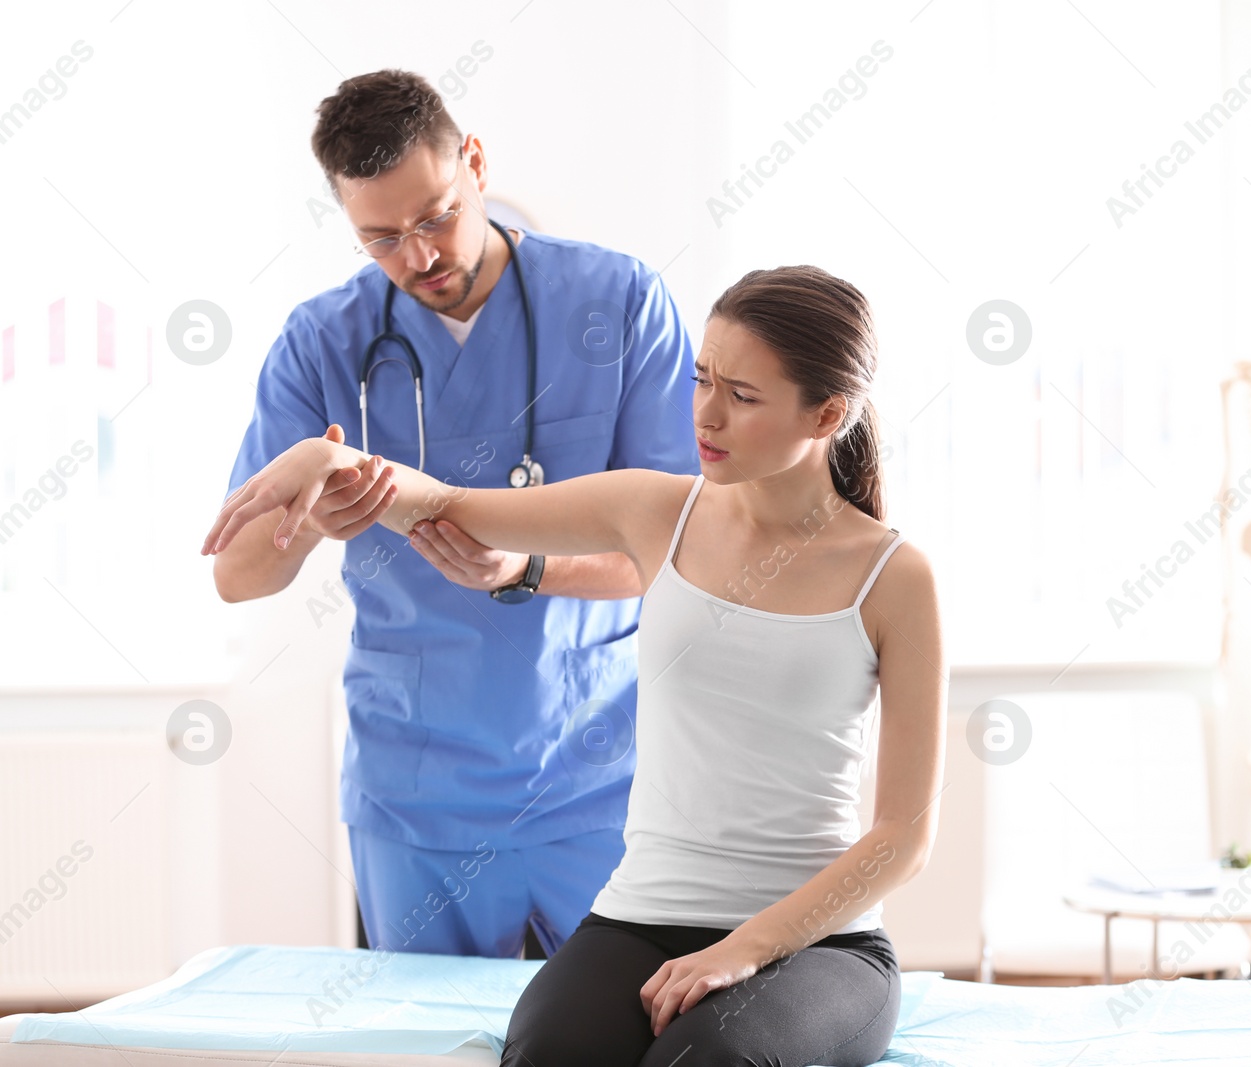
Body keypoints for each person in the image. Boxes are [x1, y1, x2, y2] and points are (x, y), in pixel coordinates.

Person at [202, 265, 946, 1066]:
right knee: (548, 1053)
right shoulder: (659, 510)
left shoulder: (894, 578)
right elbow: (447, 503)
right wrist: (321, 457)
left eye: (743, 395)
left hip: (820, 945)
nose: (705, 412)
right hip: (641, 915)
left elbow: (902, 837)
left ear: (827, 412)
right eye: (702, 378)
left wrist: (746, 946)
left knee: (702, 1061)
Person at [209, 68, 699, 960]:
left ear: (473, 161)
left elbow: (681, 551)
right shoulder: (323, 342)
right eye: (381, 239)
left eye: (434, 216)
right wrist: (320, 515)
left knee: (624, 1036)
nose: (419, 256)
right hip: (417, 785)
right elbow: (239, 576)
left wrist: (529, 568)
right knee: (429, 1044)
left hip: (597, 773)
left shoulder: (619, 303)